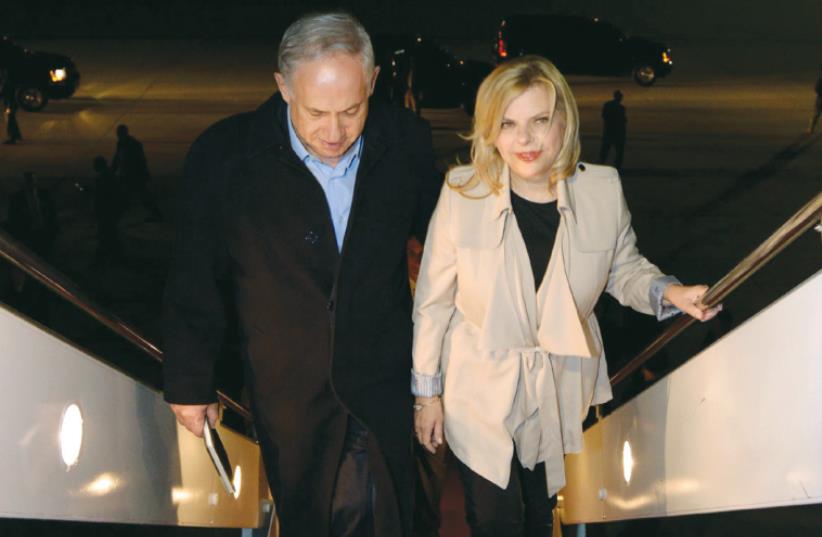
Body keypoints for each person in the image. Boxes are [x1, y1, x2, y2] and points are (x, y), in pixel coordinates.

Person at [412, 56, 721, 537]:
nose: (526, 140)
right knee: (493, 517)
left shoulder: (601, 190)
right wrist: (426, 395)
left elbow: (624, 268)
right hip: (478, 380)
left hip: (557, 383)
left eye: (539, 121)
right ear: (490, 131)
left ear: (564, 122)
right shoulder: (462, 192)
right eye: (508, 124)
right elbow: (432, 301)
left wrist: (669, 291)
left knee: (538, 513)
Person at [163, 12, 439, 537]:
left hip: (381, 381)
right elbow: (195, 275)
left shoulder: (406, 143)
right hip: (285, 389)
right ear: (283, 86)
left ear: (374, 82)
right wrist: (189, 378)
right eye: (316, 112)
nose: (334, 132)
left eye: (352, 110)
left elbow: (450, 243)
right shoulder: (225, 156)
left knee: (380, 513)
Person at [111, 124, 163, 221]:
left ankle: (156, 214)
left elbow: (139, 161)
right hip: (130, 176)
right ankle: (156, 214)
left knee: (140, 197)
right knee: (135, 196)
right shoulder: (123, 144)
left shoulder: (133, 144)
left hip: (135, 176)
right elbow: (117, 159)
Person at [89, 156, 125, 266]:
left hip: (107, 213)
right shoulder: (108, 176)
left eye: (95, 164)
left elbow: (103, 196)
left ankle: (104, 261)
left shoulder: (105, 178)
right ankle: (113, 259)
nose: (93, 166)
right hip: (109, 212)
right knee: (109, 235)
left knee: (106, 236)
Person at [599, 89, 626, 170]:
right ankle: (617, 166)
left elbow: (604, 116)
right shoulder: (621, 108)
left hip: (609, 131)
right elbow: (623, 121)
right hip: (617, 132)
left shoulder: (608, 105)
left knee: (605, 149)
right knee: (619, 151)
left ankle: (601, 163)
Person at [1, 67, 23, 145]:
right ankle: (16, 136)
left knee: (10, 119)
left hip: (10, 102)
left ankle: (13, 137)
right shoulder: (10, 79)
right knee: (11, 118)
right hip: (11, 102)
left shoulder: (8, 80)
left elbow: (5, 91)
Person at [806, 64, 822, 134]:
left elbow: (816, 89)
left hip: (820, 98)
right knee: (816, 114)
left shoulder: (820, 79)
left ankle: (810, 129)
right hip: (820, 99)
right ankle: (810, 129)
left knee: (816, 114)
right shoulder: (820, 79)